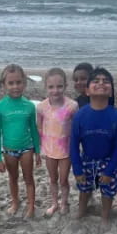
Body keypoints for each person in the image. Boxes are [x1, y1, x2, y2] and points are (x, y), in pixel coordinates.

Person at [70, 67, 117, 229]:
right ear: (87, 91)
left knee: (107, 192)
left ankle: (105, 216)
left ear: (111, 91)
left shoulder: (116, 117)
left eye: (106, 81)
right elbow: (73, 144)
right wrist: (77, 169)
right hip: (86, 159)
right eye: (96, 81)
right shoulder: (80, 115)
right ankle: (81, 210)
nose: (101, 83)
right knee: (84, 189)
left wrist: (109, 171)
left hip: (108, 161)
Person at [0, 64, 41, 219]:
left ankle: (31, 206)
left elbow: (34, 130)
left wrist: (38, 152)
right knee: (12, 178)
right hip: (9, 150)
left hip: (27, 148)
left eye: (19, 82)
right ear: (3, 85)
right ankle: (15, 202)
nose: (15, 87)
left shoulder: (29, 106)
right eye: (11, 83)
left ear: (25, 83)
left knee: (29, 178)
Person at [37, 68, 78, 216]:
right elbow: (40, 128)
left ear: (66, 86)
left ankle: (64, 202)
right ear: (46, 87)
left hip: (66, 151)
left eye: (59, 86)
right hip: (49, 150)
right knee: (53, 178)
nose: (55, 90)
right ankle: (54, 203)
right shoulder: (41, 107)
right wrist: (39, 148)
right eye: (51, 87)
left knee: (63, 179)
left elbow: (76, 129)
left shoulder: (72, 106)